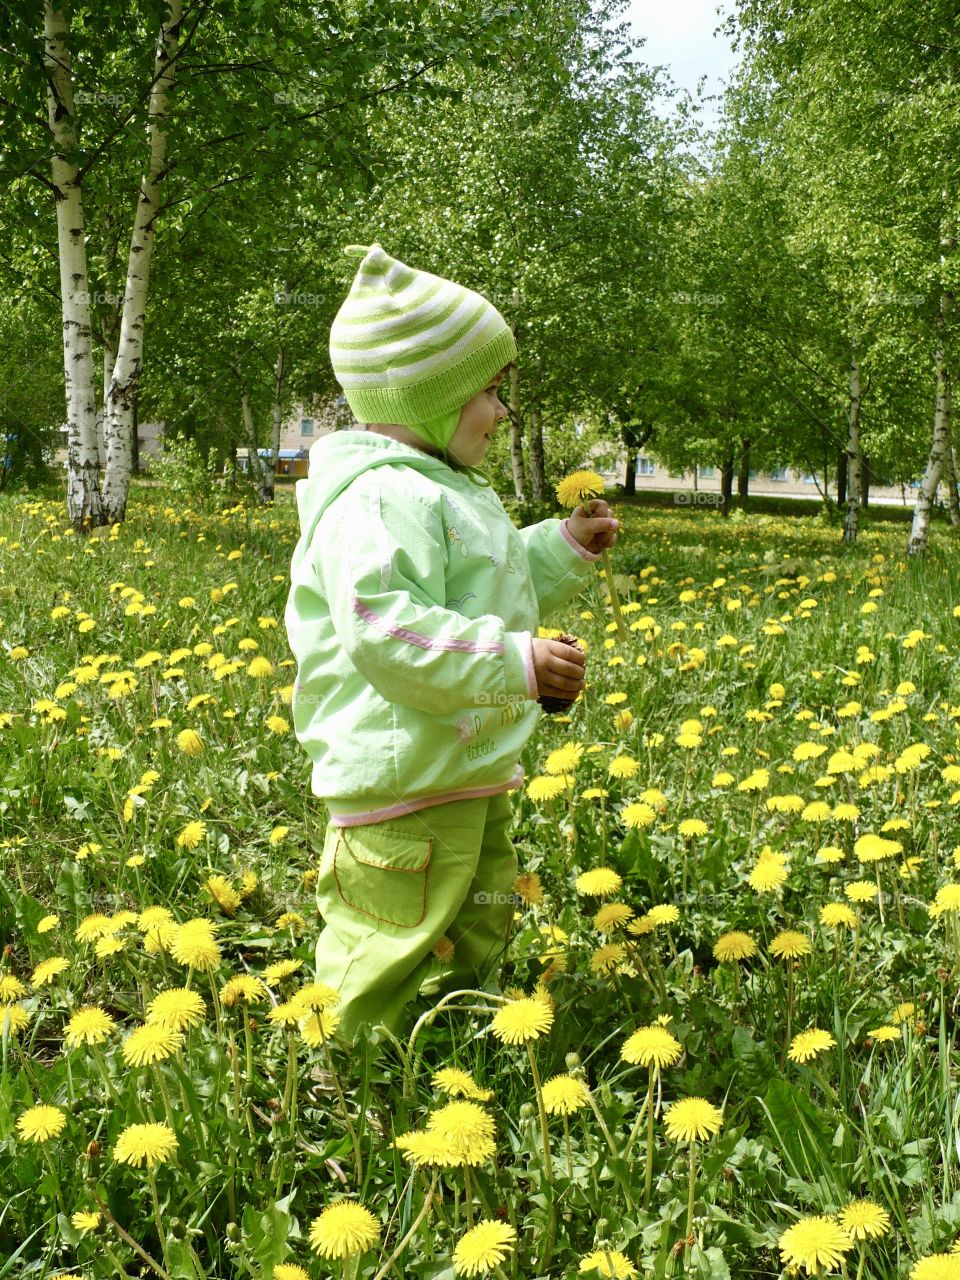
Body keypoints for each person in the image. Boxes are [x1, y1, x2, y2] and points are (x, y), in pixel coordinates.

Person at [284, 243, 619, 1049]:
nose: (501, 412)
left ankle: (459, 1035)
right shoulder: (374, 498)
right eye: (490, 391)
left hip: (462, 764)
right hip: (401, 773)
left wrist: (563, 545)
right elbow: (388, 631)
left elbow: (485, 582)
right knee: (386, 933)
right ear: (430, 395)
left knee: (482, 907)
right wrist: (515, 662)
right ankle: (349, 1070)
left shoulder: (438, 486)